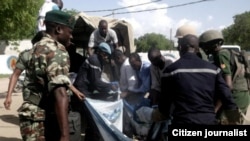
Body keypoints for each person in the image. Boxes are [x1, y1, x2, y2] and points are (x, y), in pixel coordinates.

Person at [159, 34, 240, 125]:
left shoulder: (170, 71)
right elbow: (227, 97)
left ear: (181, 48)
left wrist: (163, 114)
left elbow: (164, 104)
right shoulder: (213, 70)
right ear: (198, 49)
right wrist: (234, 119)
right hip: (208, 121)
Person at [27, 10, 77, 140]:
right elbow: (60, 93)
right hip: (48, 118)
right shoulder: (57, 51)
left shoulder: (36, 47)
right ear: (59, 29)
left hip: (32, 118)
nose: (71, 37)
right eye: (70, 32)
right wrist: (65, 136)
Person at [199, 29, 250, 124]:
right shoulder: (227, 53)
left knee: (223, 122)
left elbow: (228, 86)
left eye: (204, 45)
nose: (203, 49)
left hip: (236, 96)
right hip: (242, 95)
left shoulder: (221, 55)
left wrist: (215, 109)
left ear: (212, 45)